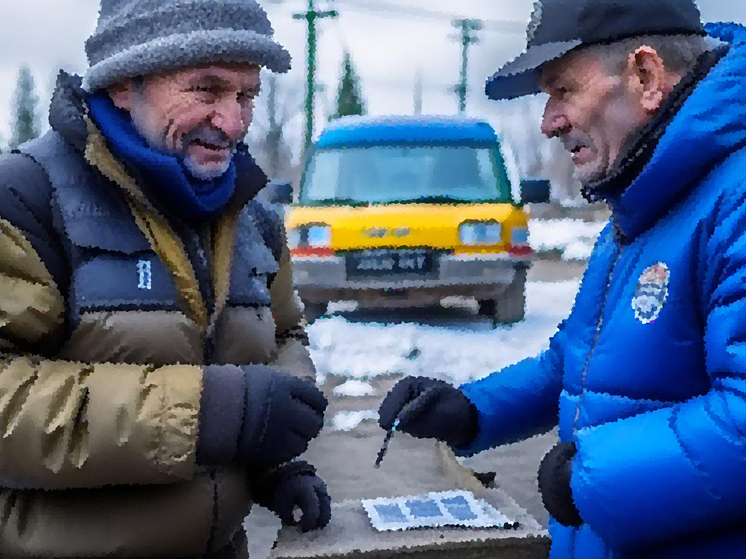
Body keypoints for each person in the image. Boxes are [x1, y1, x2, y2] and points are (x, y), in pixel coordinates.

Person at [378, 1, 746, 557]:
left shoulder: (735, 200)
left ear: (644, 76)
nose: (548, 121)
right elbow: (577, 358)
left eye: (563, 90)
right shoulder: (640, 208)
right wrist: (473, 409)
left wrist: (591, 476)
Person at [0, 0, 331, 557]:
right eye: (206, 90)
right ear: (124, 83)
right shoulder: (25, 200)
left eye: (247, 96)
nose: (232, 122)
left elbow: (282, 337)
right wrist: (204, 416)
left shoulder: (251, 215)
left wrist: (275, 461)